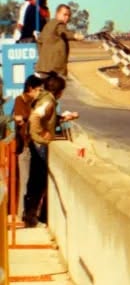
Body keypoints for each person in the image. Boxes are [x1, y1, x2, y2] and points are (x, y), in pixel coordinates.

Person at [23, 74, 77, 227]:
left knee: (36, 182)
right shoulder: (48, 101)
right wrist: (41, 135)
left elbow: (46, 118)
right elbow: (35, 118)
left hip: (36, 144)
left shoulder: (45, 99)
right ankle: (31, 218)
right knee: (38, 182)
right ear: (59, 91)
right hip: (39, 145)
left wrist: (62, 118)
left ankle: (32, 217)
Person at [12, 74, 44, 221]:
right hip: (25, 147)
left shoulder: (35, 102)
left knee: (34, 184)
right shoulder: (20, 100)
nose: (39, 93)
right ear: (30, 89)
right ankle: (22, 215)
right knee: (25, 182)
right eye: (37, 90)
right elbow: (21, 119)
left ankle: (31, 214)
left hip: (34, 146)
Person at [36, 3, 84, 78]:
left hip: (43, 67)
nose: (67, 17)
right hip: (55, 69)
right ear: (57, 13)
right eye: (65, 14)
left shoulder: (48, 25)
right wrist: (75, 36)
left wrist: (43, 57)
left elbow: (39, 41)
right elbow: (64, 32)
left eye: (68, 15)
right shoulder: (59, 24)